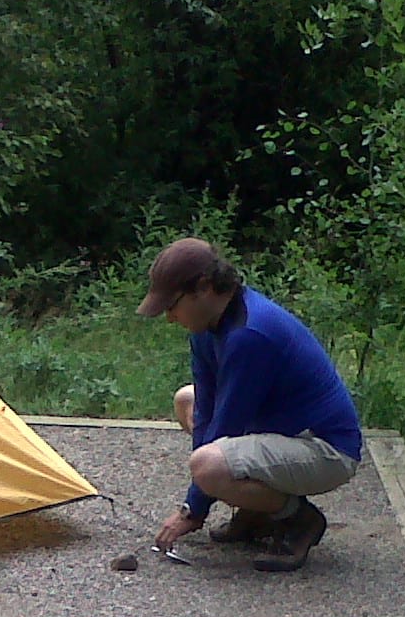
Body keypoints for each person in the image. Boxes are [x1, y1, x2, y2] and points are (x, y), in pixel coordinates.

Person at [138, 237, 362, 572]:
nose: (170, 317)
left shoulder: (249, 335)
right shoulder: (206, 328)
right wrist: (199, 496)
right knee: (187, 400)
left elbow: (226, 427)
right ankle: (257, 511)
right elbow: (206, 409)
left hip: (326, 449)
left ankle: (300, 520)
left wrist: (193, 508)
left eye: (172, 305)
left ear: (203, 287)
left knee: (210, 465)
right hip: (285, 432)